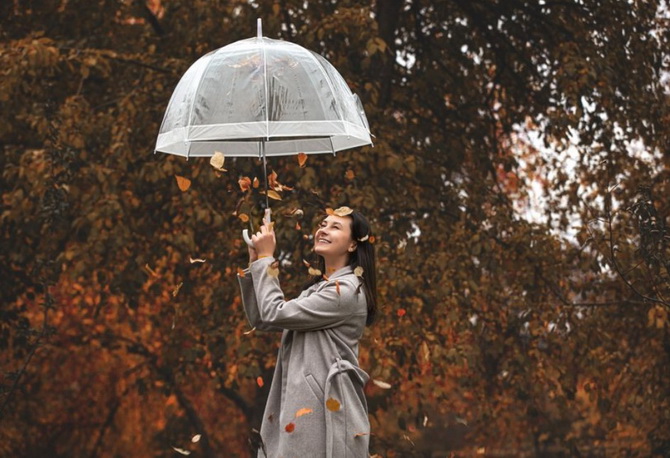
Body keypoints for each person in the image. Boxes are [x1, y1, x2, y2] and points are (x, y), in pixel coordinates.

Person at [237, 207, 377, 457]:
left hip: (323, 415)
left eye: (335, 226)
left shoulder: (346, 291)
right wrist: (256, 262)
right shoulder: (319, 289)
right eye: (323, 224)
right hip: (302, 409)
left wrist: (267, 259)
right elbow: (262, 319)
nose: (323, 229)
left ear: (354, 245)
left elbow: (274, 313)